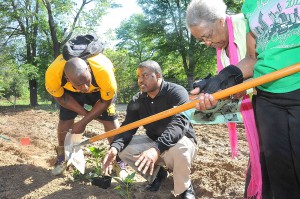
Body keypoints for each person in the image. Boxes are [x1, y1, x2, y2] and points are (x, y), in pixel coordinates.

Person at [188, 0, 300, 198]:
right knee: (280, 177)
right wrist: (222, 79)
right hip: (268, 99)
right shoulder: (250, 6)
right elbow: (252, 57)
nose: (207, 43)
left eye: (208, 36)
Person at [186, 1, 262, 198]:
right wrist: (215, 87)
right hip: (260, 111)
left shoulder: (246, 25)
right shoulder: (222, 48)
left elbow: (262, 65)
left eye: (208, 36)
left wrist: (227, 82)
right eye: (202, 40)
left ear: (221, 21)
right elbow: (237, 87)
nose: (207, 43)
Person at [102, 60, 197, 198]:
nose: (140, 80)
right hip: (154, 142)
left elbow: (178, 125)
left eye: (145, 75)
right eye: (139, 76)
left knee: (180, 147)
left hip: (181, 142)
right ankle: (157, 174)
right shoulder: (137, 100)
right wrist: (114, 147)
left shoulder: (177, 92)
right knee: (123, 149)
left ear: (158, 75)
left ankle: (184, 189)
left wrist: (156, 149)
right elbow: (128, 128)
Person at [45, 34, 127, 177]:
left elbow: (105, 101)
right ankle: (62, 158)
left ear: (89, 69)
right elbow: (62, 98)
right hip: (70, 94)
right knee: (65, 121)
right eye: (79, 84)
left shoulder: (104, 72)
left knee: (111, 121)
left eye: (87, 81)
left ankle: (119, 160)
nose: (85, 88)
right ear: (67, 77)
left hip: (100, 92)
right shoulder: (53, 74)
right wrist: (85, 116)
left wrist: (84, 122)